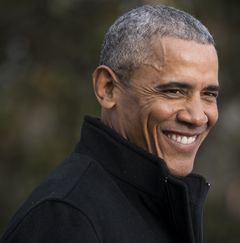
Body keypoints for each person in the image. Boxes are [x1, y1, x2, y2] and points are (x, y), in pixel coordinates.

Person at [1, 4, 219, 243]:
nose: (197, 116)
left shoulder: (157, 206)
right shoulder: (66, 217)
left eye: (209, 95)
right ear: (108, 88)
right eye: (174, 91)